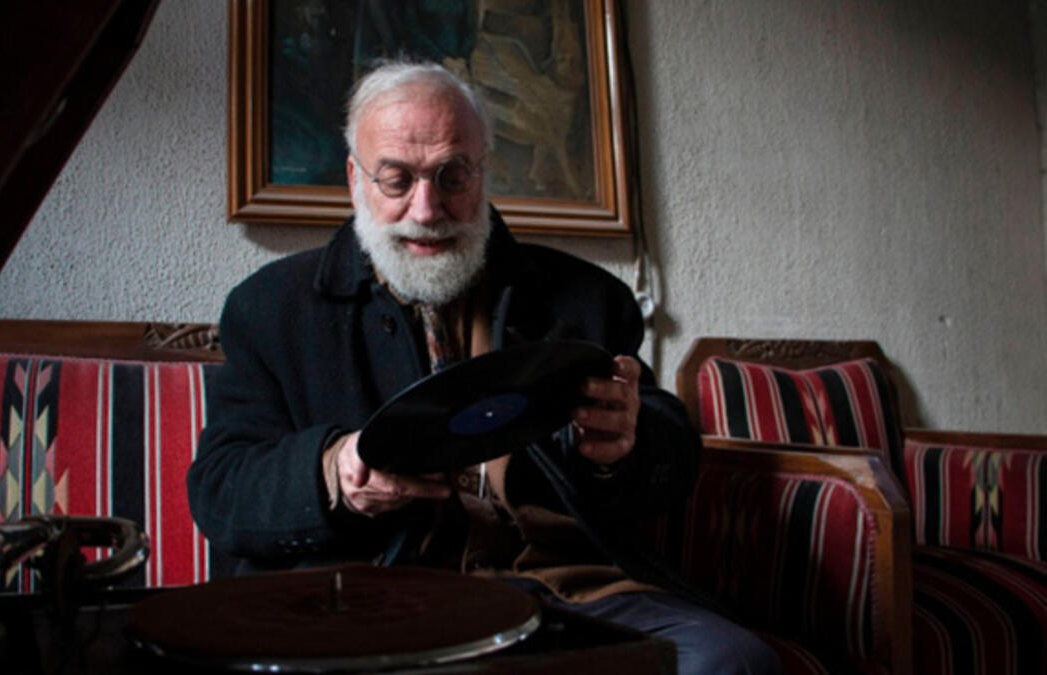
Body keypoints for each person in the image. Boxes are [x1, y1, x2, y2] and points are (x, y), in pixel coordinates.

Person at [188, 60, 779, 674]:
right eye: (397, 179)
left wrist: (628, 442)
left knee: (732, 661)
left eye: (452, 175)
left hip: (572, 596)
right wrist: (335, 473)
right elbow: (221, 488)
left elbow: (671, 456)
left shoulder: (588, 299)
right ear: (355, 180)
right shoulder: (270, 309)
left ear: (483, 172)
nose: (428, 206)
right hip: (376, 604)